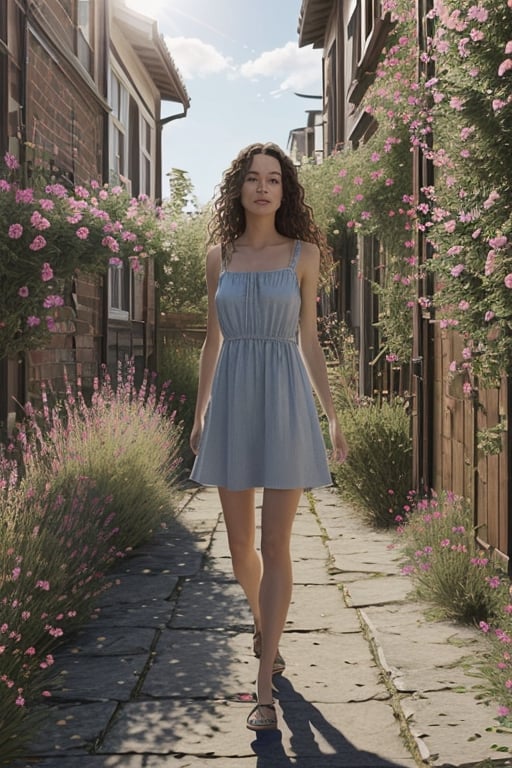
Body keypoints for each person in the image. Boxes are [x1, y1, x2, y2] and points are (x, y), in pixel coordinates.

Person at [189, 142, 348, 732]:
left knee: (276, 542)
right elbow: (213, 340)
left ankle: (263, 687)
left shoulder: (304, 255)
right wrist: (199, 412)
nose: (263, 188)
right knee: (239, 551)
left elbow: (308, 338)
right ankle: (266, 626)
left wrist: (331, 414)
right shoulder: (219, 256)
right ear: (239, 188)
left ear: (285, 190)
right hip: (231, 401)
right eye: (254, 178)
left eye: (274, 179)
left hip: (284, 399)